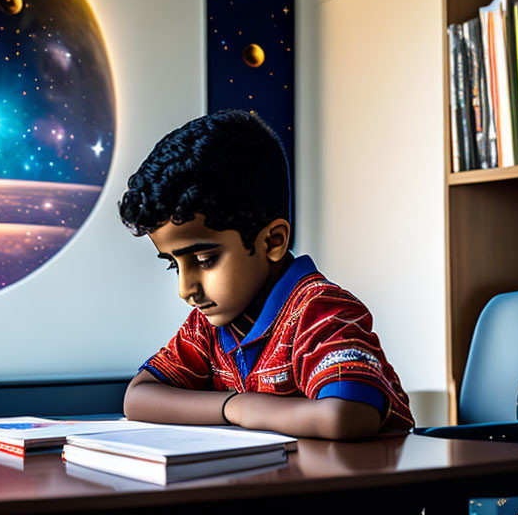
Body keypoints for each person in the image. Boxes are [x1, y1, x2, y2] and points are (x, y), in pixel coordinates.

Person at [118, 110, 414, 440]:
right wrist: (231, 407)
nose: (185, 290)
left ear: (272, 240)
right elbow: (138, 397)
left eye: (204, 260)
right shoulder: (208, 326)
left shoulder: (320, 310)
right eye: (174, 264)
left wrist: (246, 409)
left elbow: (345, 415)